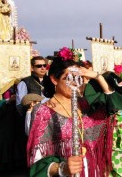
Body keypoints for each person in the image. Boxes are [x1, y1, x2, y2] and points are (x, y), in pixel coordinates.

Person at [27, 47, 117, 176]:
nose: (75, 83)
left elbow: (113, 106)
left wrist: (97, 76)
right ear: (54, 79)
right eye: (69, 77)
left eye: (78, 77)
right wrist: (62, 168)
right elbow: (37, 160)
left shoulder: (86, 104)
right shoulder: (43, 112)